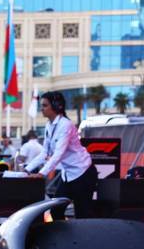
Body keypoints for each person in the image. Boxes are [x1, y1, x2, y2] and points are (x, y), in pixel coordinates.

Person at [25, 90, 97, 219]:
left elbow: (58, 154)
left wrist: (41, 173)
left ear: (56, 106)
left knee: (83, 214)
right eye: (41, 105)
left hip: (83, 172)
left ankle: (82, 233)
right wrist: (26, 170)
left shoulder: (66, 125)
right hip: (67, 174)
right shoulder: (49, 125)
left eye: (45, 105)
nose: (42, 109)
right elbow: (45, 152)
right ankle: (64, 232)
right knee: (56, 211)